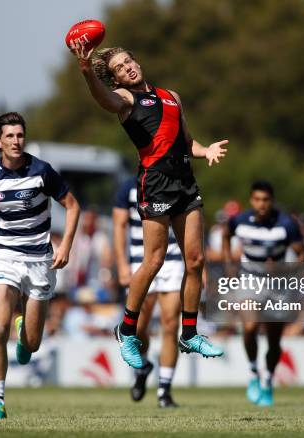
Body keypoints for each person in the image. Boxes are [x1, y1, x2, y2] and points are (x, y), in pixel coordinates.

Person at [72, 45, 227, 368]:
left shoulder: (171, 96)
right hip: (155, 182)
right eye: (119, 68)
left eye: (128, 61)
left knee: (196, 260)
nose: (128, 68)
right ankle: (127, 330)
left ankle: (190, 333)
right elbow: (105, 100)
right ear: (115, 78)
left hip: (185, 182)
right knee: (154, 260)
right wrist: (88, 71)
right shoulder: (125, 100)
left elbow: (186, 142)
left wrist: (205, 149)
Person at [0, 112, 80, 420]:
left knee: (32, 343)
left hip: (40, 260)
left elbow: (73, 205)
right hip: (4, 256)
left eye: (20, 135)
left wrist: (65, 244)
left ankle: (23, 328)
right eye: (10, 136)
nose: (16, 141)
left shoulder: (42, 171)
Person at [223, 181, 304, 407]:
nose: (262, 204)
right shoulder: (239, 221)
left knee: (274, 340)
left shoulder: (287, 224)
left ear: (272, 201)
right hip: (250, 279)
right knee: (249, 327)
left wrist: (284, 270)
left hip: (278, 284)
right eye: (257, 200)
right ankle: (253, 373)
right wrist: (229, 265)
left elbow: (303, 257)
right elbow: (225, 235)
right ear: (252, 200)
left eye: (266, 200)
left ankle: (268, 380)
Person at [114, 176, 183, 408]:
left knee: (171, 324)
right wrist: (122, 264)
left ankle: (164, 390)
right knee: (139, 327)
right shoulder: (128, 187)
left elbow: (192, 223)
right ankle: (143, 367)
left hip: (174, 261)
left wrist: (196, 266)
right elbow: (119, 225)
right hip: (141, 263)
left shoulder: (180, 183)